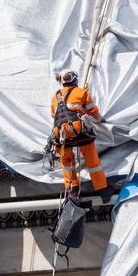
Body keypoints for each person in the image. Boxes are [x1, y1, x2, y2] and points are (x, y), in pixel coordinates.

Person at [51, 70, 113, 202]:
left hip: (60, 133)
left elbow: (54, 115)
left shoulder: (55, 96)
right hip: (77, 130)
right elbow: (93, 112)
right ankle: (103, 190)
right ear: (74, 80)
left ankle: (72, 191)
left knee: (67, 162)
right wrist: (101, 120)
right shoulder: (82, 92)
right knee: (91, 159)